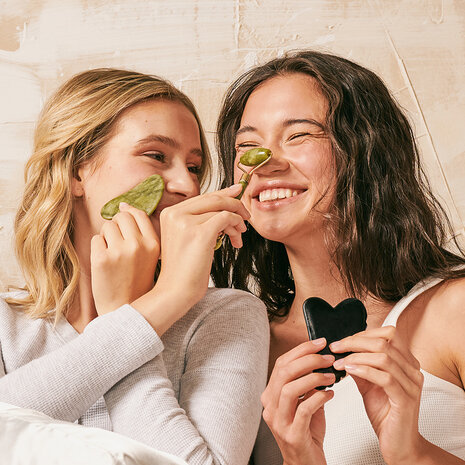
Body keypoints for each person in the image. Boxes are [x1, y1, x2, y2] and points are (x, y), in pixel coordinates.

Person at [0, 68, 270, 465]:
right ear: (76, 170)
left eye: (194, 167)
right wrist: (150, 311)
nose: (186, 185)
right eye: (156, 156)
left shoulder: (228, 315)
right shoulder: (7, 324)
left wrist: (134, 313)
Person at [212, 50, 465, 465]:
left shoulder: (453, 310)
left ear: (367, 152)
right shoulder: (240, 347)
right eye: (247, 145)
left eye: (299, 135)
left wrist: (411, 452)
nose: (265, 163)